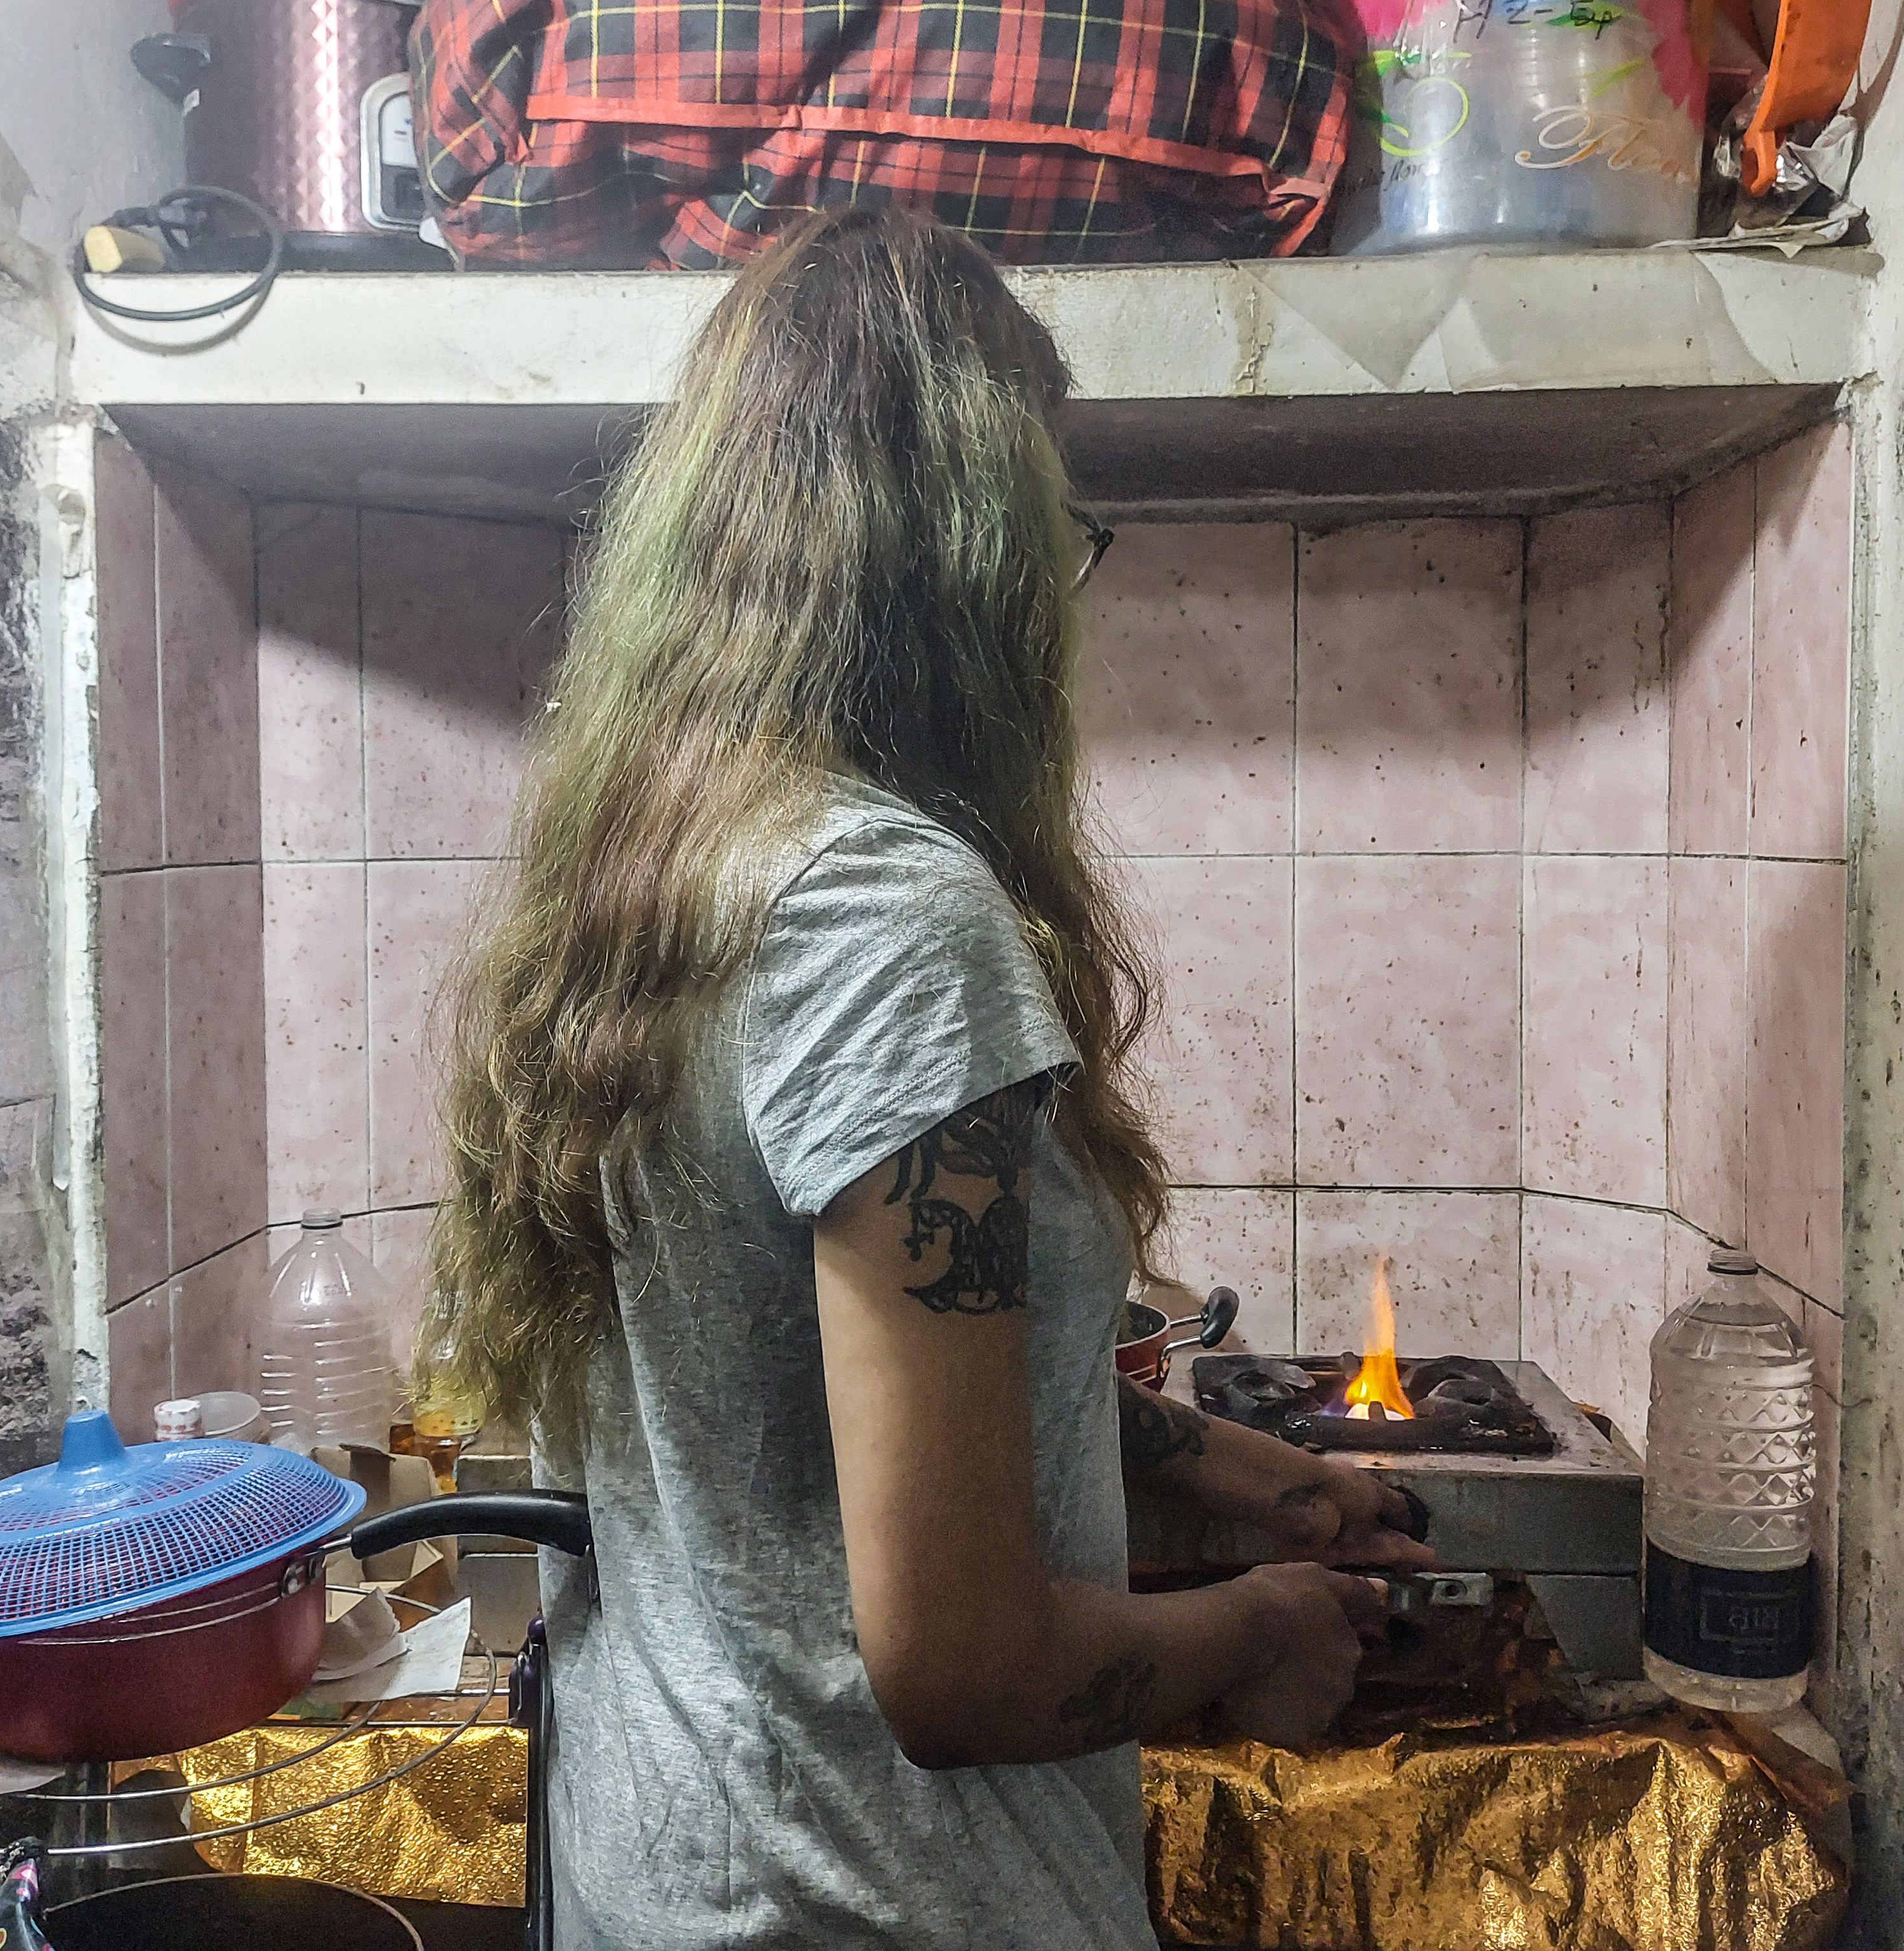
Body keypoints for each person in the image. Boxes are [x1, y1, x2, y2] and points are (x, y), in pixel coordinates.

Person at [426, 207, 1434, 1951]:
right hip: (869, 1899)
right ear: (971, 556)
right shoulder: (889, 912)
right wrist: (1258, 1626)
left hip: (660, 1876)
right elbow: (959, 1669)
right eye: (1062, 527)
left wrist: (1240, 1472)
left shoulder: (669, 877)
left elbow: (844, 1393)